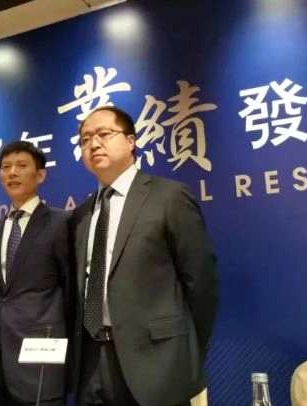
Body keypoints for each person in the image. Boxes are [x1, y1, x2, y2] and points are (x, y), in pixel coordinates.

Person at [69, 106, 218, 406]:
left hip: (157, 365)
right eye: (85, 139)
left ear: (131, 141)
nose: (93, 144)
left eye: (103, 134)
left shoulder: (168, 196)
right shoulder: (81, 214)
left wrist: (183, 354)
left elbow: (201, 283)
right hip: (91, 364)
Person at [0, 141, 71, 406]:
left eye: (21, 166)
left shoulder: (62, 223)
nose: (12, 173)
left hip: (41, 361)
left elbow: (71, 290)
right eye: (6, 167)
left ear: (40, 175)